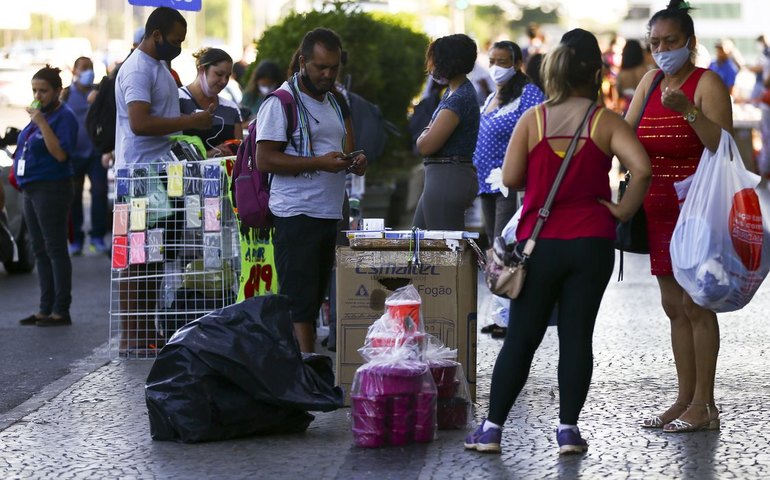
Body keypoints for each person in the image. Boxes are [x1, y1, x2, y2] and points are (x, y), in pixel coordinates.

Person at [464, 28, 651, 455]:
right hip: (592, 243)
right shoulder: (606, 121)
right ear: (596, 73)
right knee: (577, 336)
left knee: (522, 337)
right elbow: (640, 169)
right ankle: (568, 431)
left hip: (539, 243)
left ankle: (492, 430)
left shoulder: (535, 120)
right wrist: (621, 211)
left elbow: (510, 179)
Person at [624, 1, 732, 433]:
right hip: (658, 208)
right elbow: (624, 132)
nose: (662, 49)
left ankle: (705, 405)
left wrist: (687, 110)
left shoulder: (708, 83)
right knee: (673, 306)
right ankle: (684, 398)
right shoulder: (649, 81)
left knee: (696, 304)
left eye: (670, 41)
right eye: (655, 42)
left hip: (698, 209)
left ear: (689, 42)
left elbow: (723, 145)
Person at [255, 28, 366, 353]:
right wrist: (318, 162)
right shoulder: (281, 102)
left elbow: (339, 148)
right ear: (303, 61)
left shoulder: (332, 100)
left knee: (314, 298)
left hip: (326, 213)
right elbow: (265, 159)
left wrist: (354, 160)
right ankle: (305, 369)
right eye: (320, 67)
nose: (327, 74)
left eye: (333, 67)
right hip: (296, 214)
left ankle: (307, 368)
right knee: (299, 302)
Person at [114, 6, 213, 355]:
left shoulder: (159, 67)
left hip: (160, 174)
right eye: (175, 40)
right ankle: (132, 338)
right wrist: (191, 121)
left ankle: (145, 334)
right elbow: (140, 123)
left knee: (154, 258)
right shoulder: (138, 70)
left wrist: (190, 122)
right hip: (141, 178)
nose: (179, 46)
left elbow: (160, 120)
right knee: (137, 260)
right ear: (155, 35)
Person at [14, 66, 79, 327]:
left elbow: (60, 154)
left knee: (55, 248)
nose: (38, 95)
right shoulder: (40, 116)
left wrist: (40, 122)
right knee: (38, 249)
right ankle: (45, 307)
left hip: (52, 187)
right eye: (34, 90)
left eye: (43, 91)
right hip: (30, 187)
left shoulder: (64, 117)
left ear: (57, 92)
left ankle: (61, 309)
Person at [474, 40, 544, 243]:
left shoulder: (528, 94)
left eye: (502, 62)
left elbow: (538, 134)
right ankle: (495, 276)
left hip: (511, 184)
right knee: (492, 241)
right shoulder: (492, 96)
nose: (495, 67)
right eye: (492, 61)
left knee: (504, 242)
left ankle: (507, 276)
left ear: (517, 64)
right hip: (486, 183)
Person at [413, 34, 480, 230]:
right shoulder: (453, 92)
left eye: (434, 60)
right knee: (420, 243)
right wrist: (428, 132)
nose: (431, 67)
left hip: (448, 175)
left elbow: (426, 145)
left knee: (442, 250)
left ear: (446, 62)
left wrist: (424, 135)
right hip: (441, 175)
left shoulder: (459, 97)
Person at [61, 56, 109, 256]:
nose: (88, 71)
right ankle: (76, 240)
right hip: (73, 154)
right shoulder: (64, 95)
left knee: (99, 194)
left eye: (91, 67)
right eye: (84, 68)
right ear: (74, 71)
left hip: (95, 153)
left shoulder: (98, 92)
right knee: (73, 197)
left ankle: (97, 237)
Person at [179, 47, 243, 157]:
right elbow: (171, 149)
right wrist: (209, 154)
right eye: (219, 74)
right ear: (202, 70)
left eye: (227, 76)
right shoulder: (177, 99)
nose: (224, 81)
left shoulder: (231, 108)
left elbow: (240, 152)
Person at [617, 40, 650, 114]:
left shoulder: (621, 75)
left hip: (628, 112)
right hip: (646, 111)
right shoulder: (648, 72)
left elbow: (619, 94)